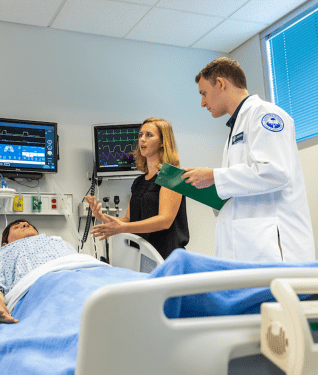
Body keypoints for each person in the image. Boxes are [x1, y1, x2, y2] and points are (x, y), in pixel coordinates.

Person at [181, 57, 315, 262]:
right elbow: (244, 185)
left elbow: (275, 172)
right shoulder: (237, 126)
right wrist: (211, 186)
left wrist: (215, 176)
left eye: (204, 93)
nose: (202, 103)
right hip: (249, 244)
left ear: (221, 83)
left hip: (273, 246)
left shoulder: (265, 114)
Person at [85, 118, 189, 260]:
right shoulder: (139, 181)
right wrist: (102, 217)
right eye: (140, 135)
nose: (142, 139)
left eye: (149, 135)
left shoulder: (172, 176)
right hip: (142, 255)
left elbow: (165, 221)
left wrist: (123, 228)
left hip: (167, 257)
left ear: (162, 143)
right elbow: (129, 219)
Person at [0, 219, 78, 324]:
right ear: (5, 244)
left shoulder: (57, 242)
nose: (24, 225)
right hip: (38, 284)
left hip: (75, 275)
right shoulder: (5, 251)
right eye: (16, 227)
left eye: (28, 225)